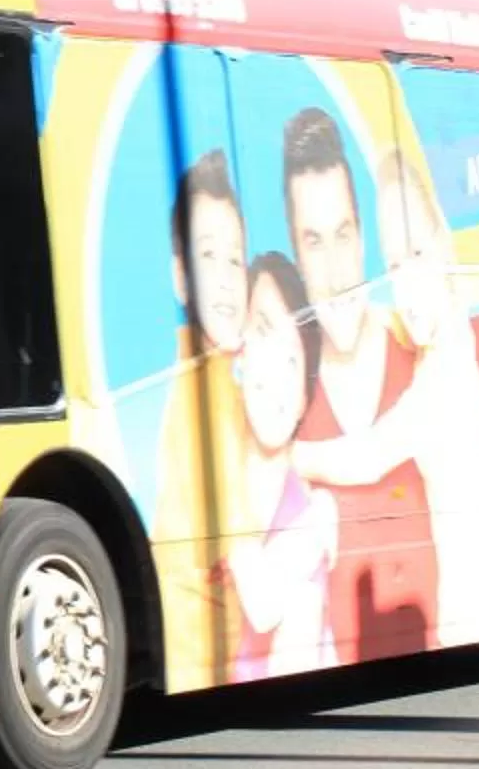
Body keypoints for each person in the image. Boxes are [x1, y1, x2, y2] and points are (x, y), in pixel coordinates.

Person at [298, 150, 479, 647]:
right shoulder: (445, 346)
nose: (403, 280)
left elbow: (366, 457)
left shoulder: (444, 372)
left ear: (444, 249)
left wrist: (295, 457)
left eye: (416, 255)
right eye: (391, 263)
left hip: (472, 603)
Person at [281, 107, 437, 663]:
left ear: (364, 235)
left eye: (344, 234)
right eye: (314, 243)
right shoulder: (285, 397)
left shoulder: (420, 352)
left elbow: (370, 458)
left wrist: (289, 459)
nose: (338, 269)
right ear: (297, 256)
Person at [151, 150, 255, 689]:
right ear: (179, 276)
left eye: (235, 260)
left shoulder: (229, 378)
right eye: (207, 256)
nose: (223, 281)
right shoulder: (196, 395)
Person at [222, 253, 339, 680]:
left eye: (294, 360)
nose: (276, 370)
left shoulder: (310, 507)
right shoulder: (213, 478)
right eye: (264, 331)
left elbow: (266, 606)